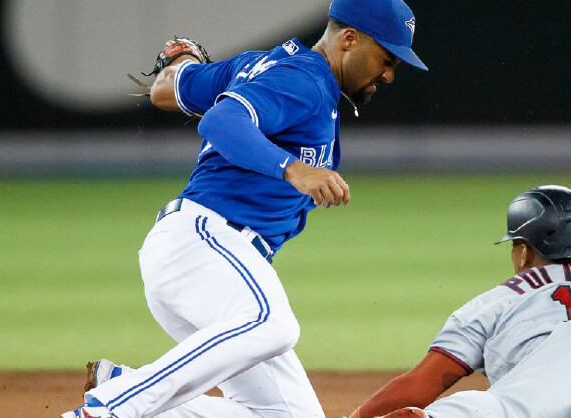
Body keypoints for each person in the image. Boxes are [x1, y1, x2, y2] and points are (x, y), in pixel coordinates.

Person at [61, 0, 427, 417]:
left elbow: (167, 89)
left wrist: (180, 65)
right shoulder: (303, 79)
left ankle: (123, 384)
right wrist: (293, 169)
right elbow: (220, 121)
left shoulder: (263, 65)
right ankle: (108, 408)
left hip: (206, 265)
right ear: (348, 39)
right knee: (273, 324)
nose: (390, 73)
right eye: (387, 58)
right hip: (204, 243)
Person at [346, 185, 571, 418]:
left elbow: (422, 384)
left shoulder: (500, 299)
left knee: (502, 407)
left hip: (553, 384)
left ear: (525, 251)